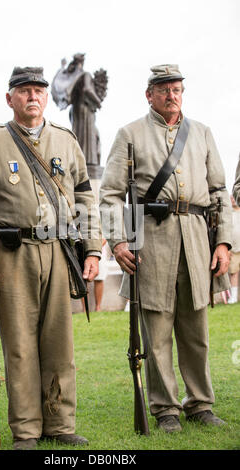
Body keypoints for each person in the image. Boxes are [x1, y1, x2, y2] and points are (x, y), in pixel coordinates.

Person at [0, 66, 102, 450]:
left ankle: (60, 424)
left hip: (59, 251)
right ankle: (26, 431)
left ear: (45, 96)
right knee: (19, 344)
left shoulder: (67, 141)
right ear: (10, 99)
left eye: (38, 89)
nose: (32, 96)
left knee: (59, 342)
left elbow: (86, 198)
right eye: (23, 91)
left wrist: (92, 248)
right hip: (11, 255)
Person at [99, 64, 231, 433]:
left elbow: (219, 192)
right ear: (149, 95)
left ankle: (200, 403)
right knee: (156, 331)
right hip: (152, 241)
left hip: (196, 239)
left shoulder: (202, 133)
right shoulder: (130, 134)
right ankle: (165, 409)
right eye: (164, 90)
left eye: (177, 89)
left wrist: (223, 243)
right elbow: (109, 195)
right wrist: (119, 240)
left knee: (196, 330)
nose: (172, 96)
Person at [227, 195, 240, 304]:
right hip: (234, 249)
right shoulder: (228, 214)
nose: (233, 200)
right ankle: (233, 297)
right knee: (233, 273)